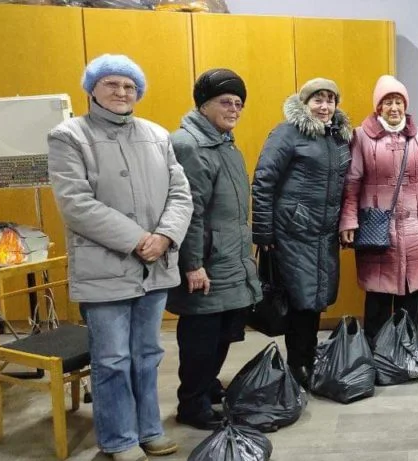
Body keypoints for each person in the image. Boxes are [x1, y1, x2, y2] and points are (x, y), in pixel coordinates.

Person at [48, 54, 192, 461]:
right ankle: (118, 439)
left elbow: (181, 195)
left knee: (147, 355)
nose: (121, 92)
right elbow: (75, 204)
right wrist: (137, 239)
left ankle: (148, 429)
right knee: (111, 359)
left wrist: (164, 236)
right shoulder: (68, 136)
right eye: (111, 84)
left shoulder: (157, 135)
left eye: (129, 86)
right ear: (92, 88)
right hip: (104, 266)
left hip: (155, 265)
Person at [168, 69, 261, 429]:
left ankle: (205, 388)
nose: (234, 109)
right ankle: (191, 404)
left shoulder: (225, 142)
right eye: (226, 102)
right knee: (200, 338)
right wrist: (192, 264)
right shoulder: (189, 144)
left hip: (228, 256)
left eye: (239, 103)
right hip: (205, 260)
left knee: (222, 332)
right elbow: (188, 210)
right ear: (203, 105)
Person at [252, 78, 352, 385]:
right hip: (292, 231)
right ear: (304, 103)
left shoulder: (337, 138)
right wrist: (264, 233)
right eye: (317, 100)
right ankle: (298, 364)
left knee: (316, 299)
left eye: (330, 100)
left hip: (323, 233)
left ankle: (306, 357)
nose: (324, 107)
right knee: (300, 300)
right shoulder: (286, 133)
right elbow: (263, 182)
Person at [339, 75, 418, 340]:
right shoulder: (362, 136)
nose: (394, 108)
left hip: (415, 228)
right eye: (388, 102)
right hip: (377, 227)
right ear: (378, 107)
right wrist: (348, 220)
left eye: (398, 102)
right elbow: (352, 181)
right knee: (378, 294)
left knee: (410, 294)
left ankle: (405, 351)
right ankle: (375, 349)